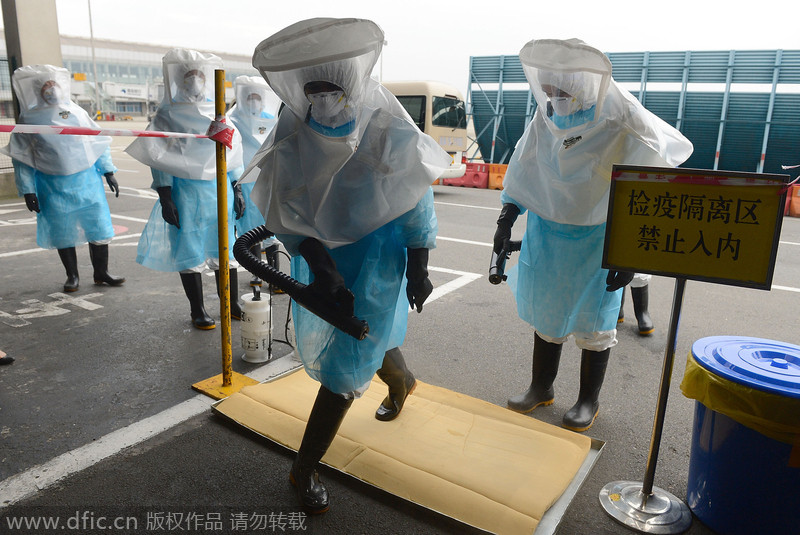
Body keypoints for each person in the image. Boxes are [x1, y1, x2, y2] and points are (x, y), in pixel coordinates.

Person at [242, 17, 451, 513]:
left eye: (329, 89)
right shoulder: (296, 124)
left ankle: (304, 467)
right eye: (311, 90)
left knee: (346, 358)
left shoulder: (385, 125)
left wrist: (419, 267)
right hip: (326, 254)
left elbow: (416, 201)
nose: (320, 99)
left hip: (379, 256)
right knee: (360, 333)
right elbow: (285, 203)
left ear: (351, 83)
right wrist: (320, 262)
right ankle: (401, 380)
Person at [495, 38, 693, 432]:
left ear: (584, 85)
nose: (554, 97)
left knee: (596, 323)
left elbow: (650, 184)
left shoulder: (622, 118)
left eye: (561, 90)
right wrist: (506, 216)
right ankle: (541, 386)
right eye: (548, 89)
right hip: (548, 235)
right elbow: (524, 166)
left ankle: (588, 399)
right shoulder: (546, 116)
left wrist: (632, 252)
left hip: (599, 237)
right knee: (547, 315)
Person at [126, 48, 246, 330]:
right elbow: (158, 156)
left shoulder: (219, 112)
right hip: (186, 193)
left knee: (224, 247)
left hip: (220, 190)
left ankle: (232, 302)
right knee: (189, 249)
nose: (195, 82)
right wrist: (165, 194)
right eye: (189, 77)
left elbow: (233, 152)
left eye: (199, 76)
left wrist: (237, 188)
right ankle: (198, 309)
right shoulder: (167, 114)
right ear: (179, 80)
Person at [4, 65, 125, 292]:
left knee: (98, 227)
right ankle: (72, 275)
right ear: (37, 91)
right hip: (52, 184)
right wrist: (28, 190)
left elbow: (97, 142)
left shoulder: (77, 112)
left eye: (54, 85)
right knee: (62, 230)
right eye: (46, 86)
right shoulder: (29, 119)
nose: (51, 90)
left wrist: (108, 171)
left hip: (87, 181)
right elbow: (22, 158)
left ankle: (102, 271)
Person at [226, 75, 282, 289]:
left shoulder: (270, 119)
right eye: (250, 97)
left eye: (258, 98)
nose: (254, 102)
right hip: (244, 182)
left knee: (270, 228)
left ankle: (275, 276)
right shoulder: (233, 120)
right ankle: (257, 273)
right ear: (241, 97)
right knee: (250, 228)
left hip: (268, 180)